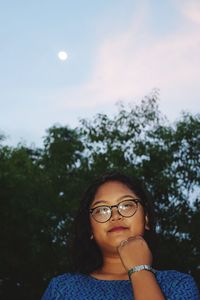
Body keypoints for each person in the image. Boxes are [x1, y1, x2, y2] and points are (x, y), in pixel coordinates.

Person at [41, 171, 200, 299]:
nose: (115, 215)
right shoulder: (62, 289)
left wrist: (140, 270)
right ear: (90, 228)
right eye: (102, 209)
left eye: (126, 205)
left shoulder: (178, 285)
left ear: (146, 219)